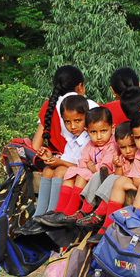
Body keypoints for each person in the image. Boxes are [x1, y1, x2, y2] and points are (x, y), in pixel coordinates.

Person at [38, 106, 119, 227]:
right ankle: (60, 210)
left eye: (103, 131)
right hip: (91, 173)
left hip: (104, 179)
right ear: (87, 131)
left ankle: (69, 211)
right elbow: (83, 161)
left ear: (112, 128)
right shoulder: (91, 144)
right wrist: (89, 165)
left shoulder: (112, 146)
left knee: (81, 174)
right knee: (72, 172)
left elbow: (104, 168)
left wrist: (91, 166)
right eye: (93, 132)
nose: (99, 136)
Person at [33, 96, 91, 224]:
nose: (73, 126)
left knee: (59, 171)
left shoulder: (89, 139)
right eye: (67, 122)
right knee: (48, 170)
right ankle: (40, 213)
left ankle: (55, 211)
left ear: (87, 117)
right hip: (72, 171)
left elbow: (82, 166)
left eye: (78, 120)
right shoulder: (71, 140)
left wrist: (60, 163)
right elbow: (65, 160)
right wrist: (50, 158)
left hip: (85, 176)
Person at [76, 122, 137, 229]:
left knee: (113, 178)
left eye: (132, 146)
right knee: (97, 176)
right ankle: (85, 210)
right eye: (123, 147)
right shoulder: (122, 158)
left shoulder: (139, 158)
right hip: (119, 188)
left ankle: (99, 214)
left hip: (131, 188)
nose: (128, 151)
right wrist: (118, 167)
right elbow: (118, 176)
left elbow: (123, 179)